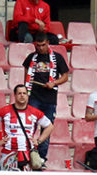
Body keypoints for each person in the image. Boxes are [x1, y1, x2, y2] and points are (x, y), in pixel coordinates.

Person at [22, 32, 68, 160]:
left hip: (49, 99)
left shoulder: (57, 58)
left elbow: (65, 77)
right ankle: (26, 154)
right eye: (38, 45)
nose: (40, 48)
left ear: (48, 43)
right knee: (29, 126)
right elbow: (26, 77)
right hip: (33, 98)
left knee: (46, 129)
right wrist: (25, 92)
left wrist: (54, 83)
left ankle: (41, 157)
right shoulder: (31, 57)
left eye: (43, 45)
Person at [0, 84, 54, 171]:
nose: (22, 95)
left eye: (24, 93)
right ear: (14, 95)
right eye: (19, 93)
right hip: (8, 154)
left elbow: (50, 126)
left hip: (27, 155)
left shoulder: (35, 112)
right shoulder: (4, 111)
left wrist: (39, 141)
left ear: (27, 95)